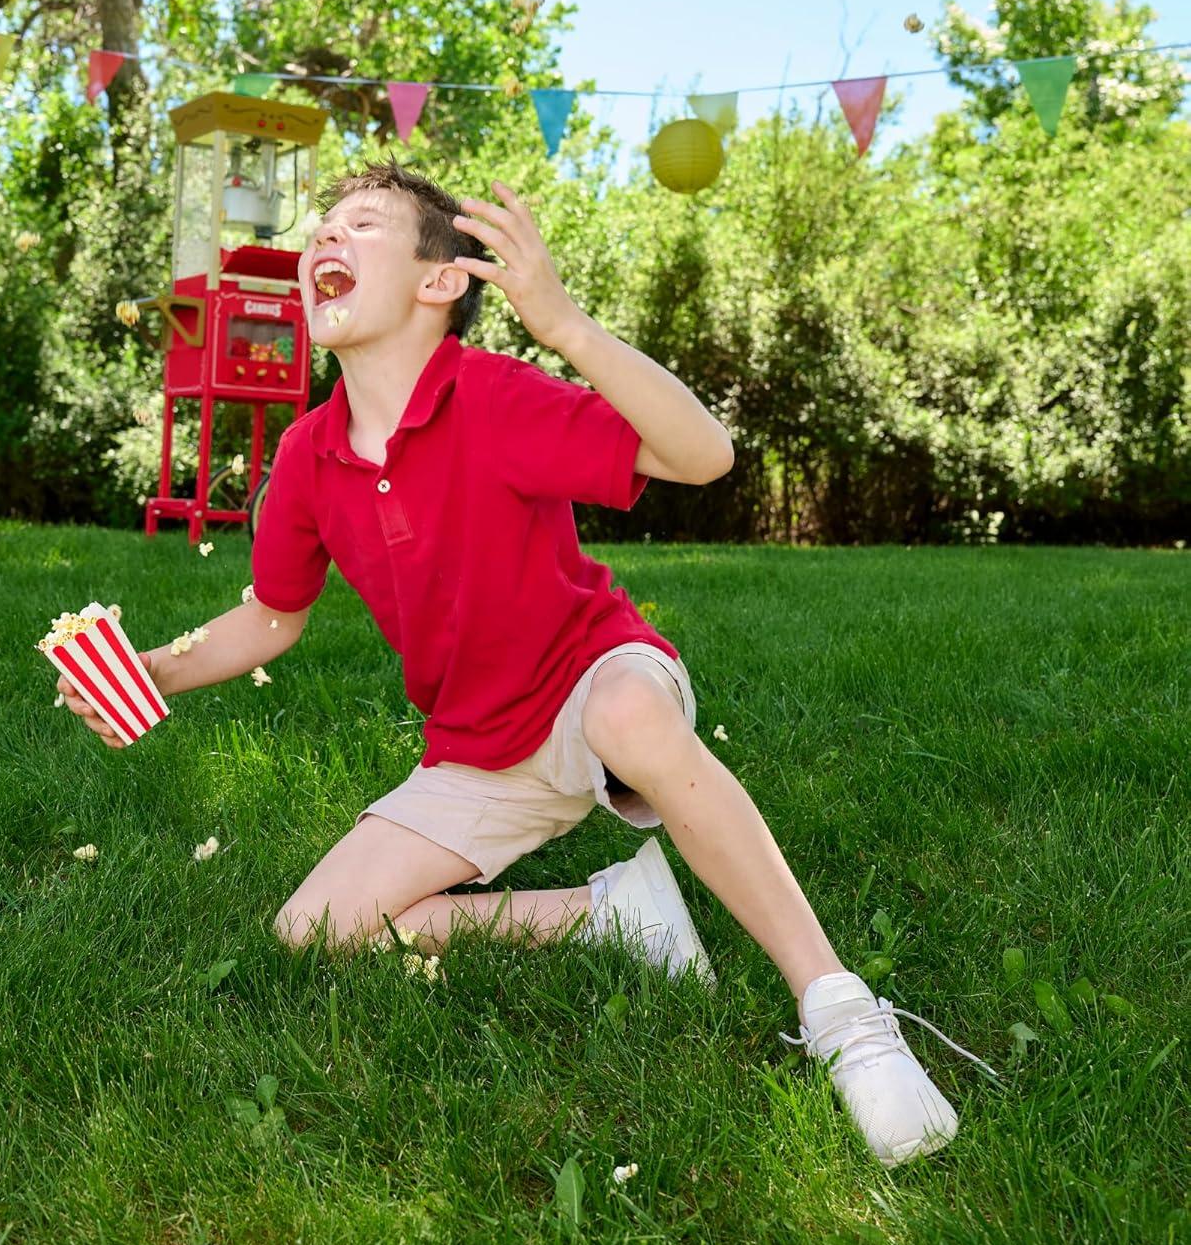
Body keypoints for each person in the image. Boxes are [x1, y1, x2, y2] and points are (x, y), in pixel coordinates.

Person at [58, 159, 996, 1167]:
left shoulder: (494, 395)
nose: (324, 239)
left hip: (594, 678)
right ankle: (616, 916)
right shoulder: (309, 455)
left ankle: (842, 1012)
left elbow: (701, 457)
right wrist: (147, 670)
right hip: (475, 751)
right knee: (314, 930)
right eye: (320, 227)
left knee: (632, 719)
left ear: (439, 281)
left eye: (362, 224)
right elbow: (271, 618)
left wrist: (570, 329)